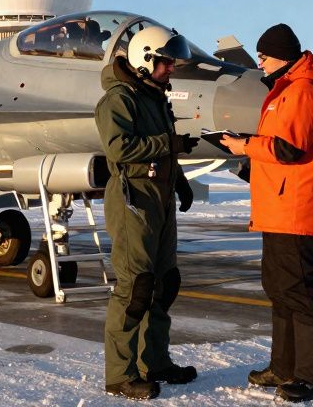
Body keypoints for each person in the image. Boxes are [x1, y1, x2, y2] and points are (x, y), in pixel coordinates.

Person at [220, 23, 313, 402]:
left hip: (295, 208)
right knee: (279, 289)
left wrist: (245, 147)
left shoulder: (301, 92)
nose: (260, 62)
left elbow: (289, 148)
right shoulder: (284, 92)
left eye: (263, 56)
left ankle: (311, 377)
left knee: (301, 292)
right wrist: (249, 150)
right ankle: (284, 368)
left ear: (282, 56)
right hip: (278, 207)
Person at [95, 25, 200, 400]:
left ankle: (154, 361)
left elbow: (163, 151)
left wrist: (180, 178)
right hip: (133, 202)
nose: (171, 70)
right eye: (166, 63)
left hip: (160, 198)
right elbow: (119, 148)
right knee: (135, 287)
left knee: (164, 283)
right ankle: (119, 374)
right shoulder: (119, 100)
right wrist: (169, 143)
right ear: (145, 60)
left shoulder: (155, 98)